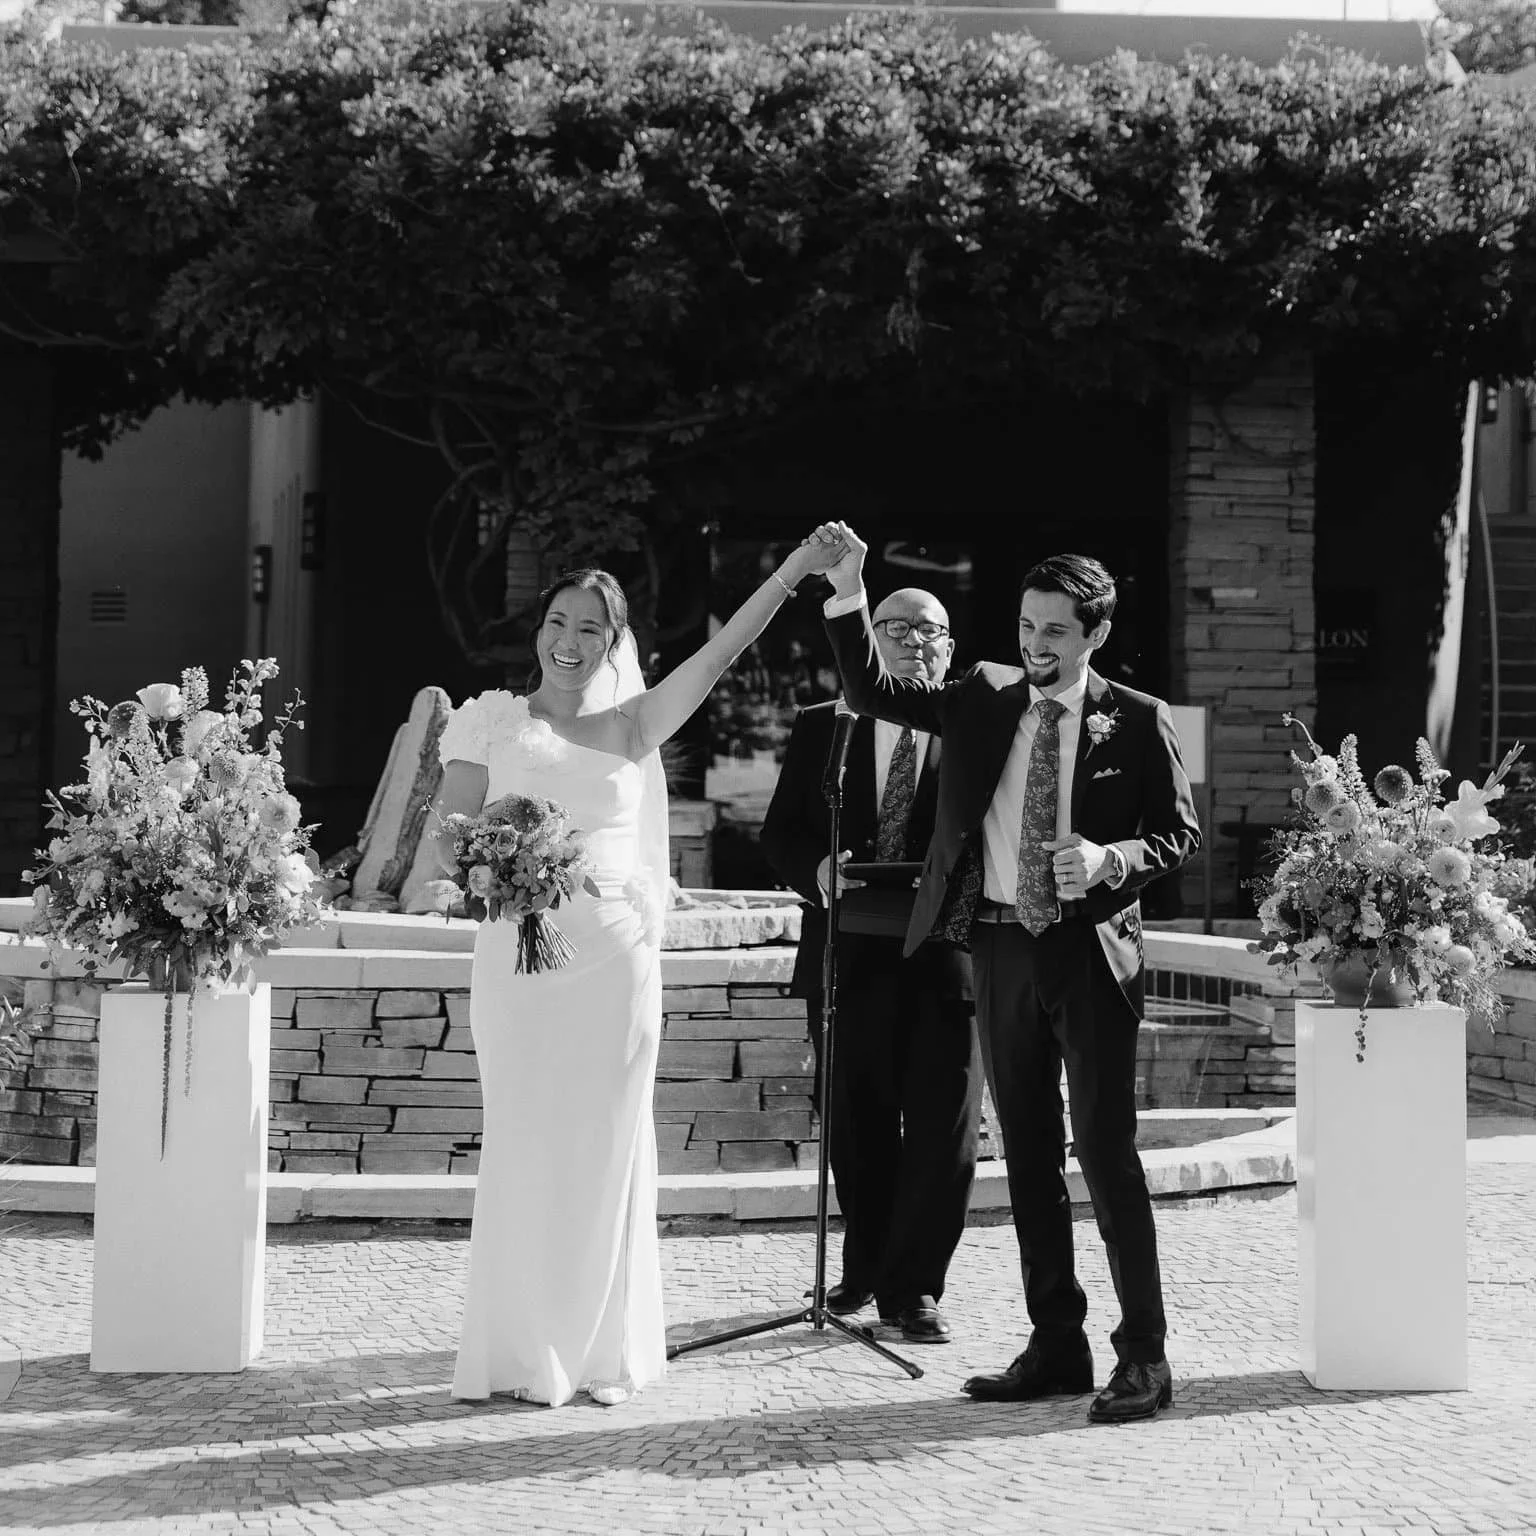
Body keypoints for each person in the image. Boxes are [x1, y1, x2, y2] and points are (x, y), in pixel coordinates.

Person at [432, 529, 849, 1408]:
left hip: (615, 958)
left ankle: (596, 1351)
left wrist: (792, 573)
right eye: (557, 622)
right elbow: (447, 839)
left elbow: (725, 648)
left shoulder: (635, 724)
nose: (569, 641)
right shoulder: (488, 721)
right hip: (518, 955)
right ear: (537, 630)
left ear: (613, 642)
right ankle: (518, 1350)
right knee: (525, 1135)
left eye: (591, 628)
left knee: (604, 1143)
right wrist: (500, 864)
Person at [813, 522, 1200, 1426]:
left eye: (1055, 632)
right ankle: (1055, 1344)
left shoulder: (1139, 719)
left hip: (1088, 952)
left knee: (1105, 1154)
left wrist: (1113, 858)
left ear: (1094, 633)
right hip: (996, 947)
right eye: (1027, 628)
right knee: (1026, 1155)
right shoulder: (979, 695)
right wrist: (850, 586)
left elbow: (1175, 833)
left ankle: (1144, 1355)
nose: (1035, 646)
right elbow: (868, 687)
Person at [760, 588, 980, 1345]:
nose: (914, 639)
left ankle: (914, 1288)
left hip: (948, 954)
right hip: (846, 952)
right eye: (895, 626)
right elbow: (781, 831)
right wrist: (815, 867)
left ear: (951, 647)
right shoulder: (825, 727)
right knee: (856, 1124)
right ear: (870, 642)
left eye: (931, 630)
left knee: (941, 1130)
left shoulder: (975, 726)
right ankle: (865, 1267)